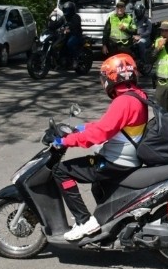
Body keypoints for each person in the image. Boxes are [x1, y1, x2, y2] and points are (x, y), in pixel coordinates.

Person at [51, 54, 148, 240]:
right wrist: (81, 127)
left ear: (113, 77)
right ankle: (108, 222)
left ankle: (83, 221)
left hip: (117, 161)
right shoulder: (136, 95)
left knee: (61, 171)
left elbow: (99, 135)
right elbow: (110, 126)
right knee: (98, 185)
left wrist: (65, 141)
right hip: (128, 157)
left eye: (105, 76)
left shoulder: (123, 102)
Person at [48, 1, 84, 68]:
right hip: (65, 35)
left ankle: (75, 59)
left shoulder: (76, 17)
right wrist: (51, 26)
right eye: (65, 9)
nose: (66, 11)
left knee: (70, 44)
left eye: (68, 9)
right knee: (56, 44)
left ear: (72, 10)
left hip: (75, 35)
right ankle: (57, 60)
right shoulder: (64, 17)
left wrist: (69, 29)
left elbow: (75, 25)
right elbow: (58, 23)